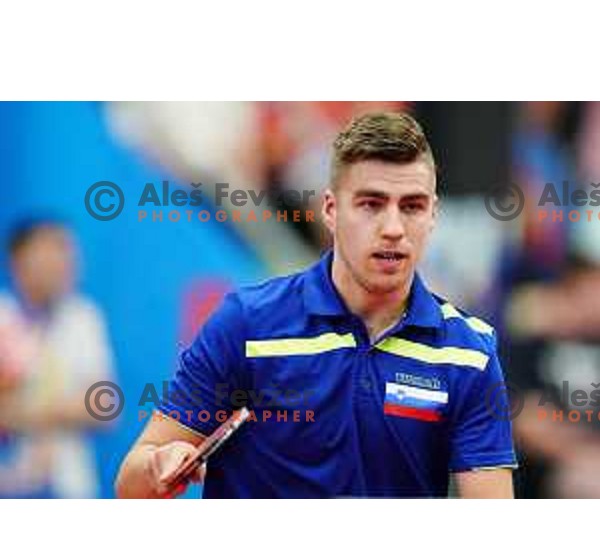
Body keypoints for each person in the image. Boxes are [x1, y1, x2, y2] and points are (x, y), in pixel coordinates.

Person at [116, 112, 517, 499]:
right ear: (331, 210)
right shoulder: (247, 322)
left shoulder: (470, 352)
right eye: (370, 205)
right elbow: (130, 483)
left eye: (411, 206)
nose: (393, 229)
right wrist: (158, 465)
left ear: (433, 216)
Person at [0, 219, 115, 498]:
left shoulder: (83, 318)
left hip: (70, 486)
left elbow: (105, 406)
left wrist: (23, 411)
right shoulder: (4, 316)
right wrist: (65, 408)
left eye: (67, 253)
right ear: (18, 262)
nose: (63, 264)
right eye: (50, 253)